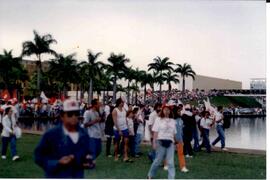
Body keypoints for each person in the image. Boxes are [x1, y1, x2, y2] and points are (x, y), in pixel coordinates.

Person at [34, 99, 92, 178]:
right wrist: (57, 162)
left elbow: (87, 153)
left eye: (76, 114)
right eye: (70, 114)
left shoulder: (84, 134)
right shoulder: (51, 134)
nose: (74, 117)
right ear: (62, 116)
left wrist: (87, 161)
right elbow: (39, 157)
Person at [147, 105, 176, 179]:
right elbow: (155, 132)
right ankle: (150, 175)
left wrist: (175, 142)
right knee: (158, 161)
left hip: (170, 143)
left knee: (171, 162)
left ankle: (171, 178)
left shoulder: (173, 121)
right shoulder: (158, 119)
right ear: (162, 110)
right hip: (160, 142)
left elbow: (173, 133)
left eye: (168, 110)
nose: (167, 111)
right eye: (165, 109)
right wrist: (154, 143)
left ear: (170, 111)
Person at [83, 99, 104, 166]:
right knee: (93, 150)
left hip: (98, 134)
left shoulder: (97, 112)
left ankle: (87, 160)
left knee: (99, 150)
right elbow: (85, 124)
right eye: (98, 104)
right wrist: (95, 121)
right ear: (94, 105)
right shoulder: (88, 112)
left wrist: (100, 120)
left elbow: (99, 121)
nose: (100, 105)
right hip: (91, 135)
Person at [112, 98, 130, 162]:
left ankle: (125, 156)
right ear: (119, 103)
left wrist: (127, 127)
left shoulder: (124, 110)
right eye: (122, 102)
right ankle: (116, 155)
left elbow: (126, 119)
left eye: (123, 102)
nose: (123, 104)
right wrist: (119, 130)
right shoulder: (115, 110)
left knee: (126, 142)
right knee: (117, 143)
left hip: (125, 128)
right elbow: (115, 121)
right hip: (117, 129)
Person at [173, 105, 189, 173]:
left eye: (180, 111)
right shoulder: (172, 120)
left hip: (180, 139)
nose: (180, 112)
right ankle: (166, 164)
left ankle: (183, 167)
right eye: (178, 111)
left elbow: (181, 130)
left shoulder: (181, 120)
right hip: (172, 140)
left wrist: (181, 139)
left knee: (181, 153)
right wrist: (174, 139)